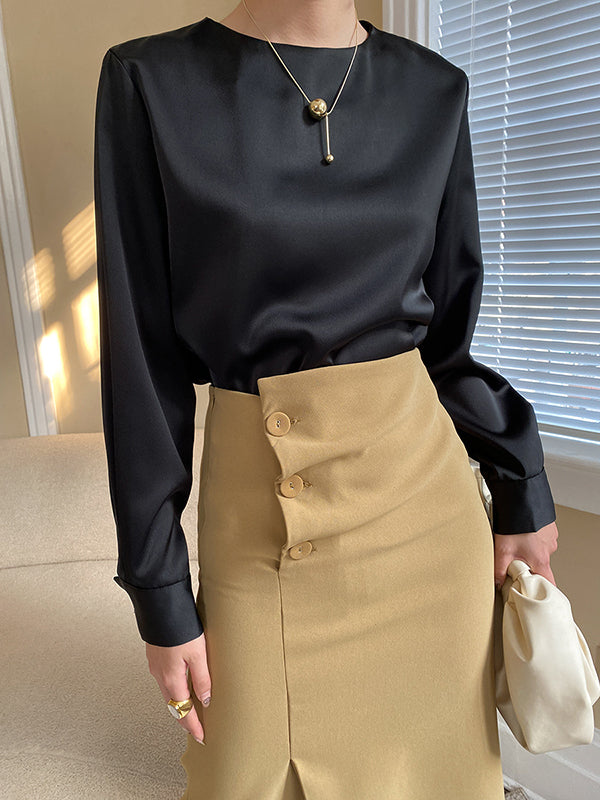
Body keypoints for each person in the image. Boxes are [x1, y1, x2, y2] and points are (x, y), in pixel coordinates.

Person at [93, 1, 559, 797]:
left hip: (427, 524)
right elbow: (141, 363)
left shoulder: (435, 90)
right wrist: (158, 590)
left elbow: (447, 345)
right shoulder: (150, 81)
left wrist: (521, 482)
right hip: (261, 528)